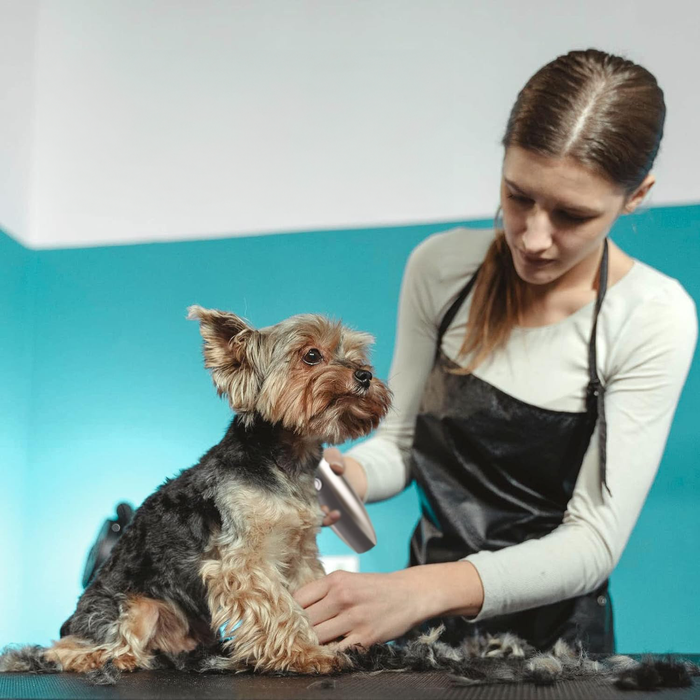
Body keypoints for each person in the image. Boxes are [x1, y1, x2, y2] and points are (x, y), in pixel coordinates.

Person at [292, 48, 698, 654]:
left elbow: (592, 543)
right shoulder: (439, 270)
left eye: (572, 215)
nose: (533, 238)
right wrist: (351, 475)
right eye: (518, 196)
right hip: (422, 633)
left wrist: (414, 592)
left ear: (637, 195)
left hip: (557, 651)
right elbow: (402, 446)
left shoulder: (652, 317)